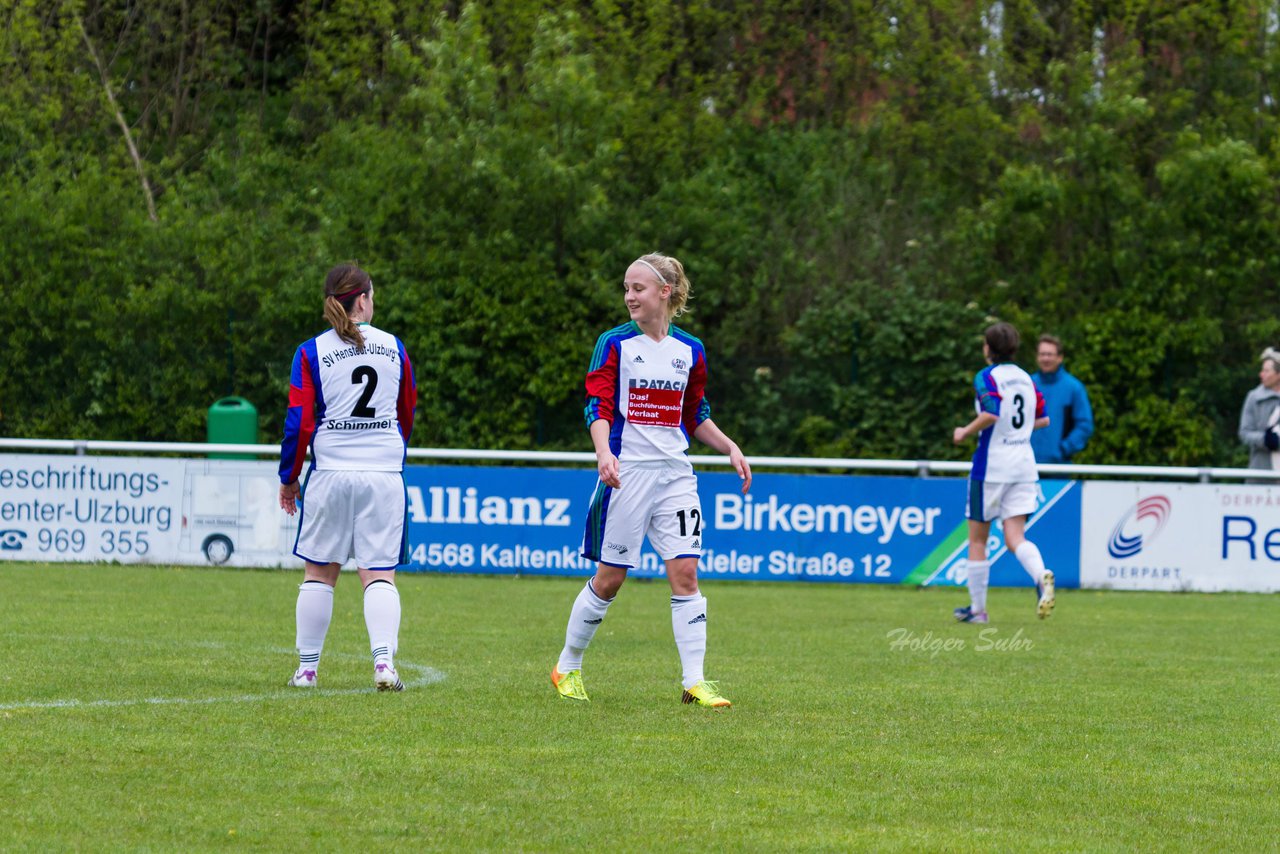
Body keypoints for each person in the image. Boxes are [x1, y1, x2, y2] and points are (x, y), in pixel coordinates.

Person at [550, 253, 752, 708]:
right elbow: (597, 406)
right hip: (628, 474)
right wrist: (604, 453)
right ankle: (567, 665)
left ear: (665, 292)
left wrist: (730, 447)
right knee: (610, 580)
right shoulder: (615, 343)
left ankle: (695, 681)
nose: (628, 297)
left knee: (685, 572)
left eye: (637, 288)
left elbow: (695, 413)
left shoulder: (690, 350)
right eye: (626, 288)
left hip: (676, 474)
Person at [278, 263, 417, 691]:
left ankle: (306, 671)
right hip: (382, 475)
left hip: (332, 474)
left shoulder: (311, 351)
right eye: (372, 295)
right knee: (379, 574)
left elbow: (299, 421)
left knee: (319, 574)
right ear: (362, 300)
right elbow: (406, 411)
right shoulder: (394, 346)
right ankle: (383, 665)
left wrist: (289, 476)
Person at [952, 322, 1055, 624]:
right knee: (1015, 536)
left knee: (977, 541)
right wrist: (1019, 430)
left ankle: (977, 611)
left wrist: (964, 432)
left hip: (992, 468)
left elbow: (991, 412)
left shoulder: (987, 377)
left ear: (988, 348)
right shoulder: (1026, 378)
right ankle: (1040, 576)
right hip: (1023, 466)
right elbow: (1043, 419)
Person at [1030, 334, 1094, 464]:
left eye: (1049, 354)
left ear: (1060, 357)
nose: (1045, 358)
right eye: (1042, 354)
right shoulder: (1027, 384)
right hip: (1026, 464)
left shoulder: (1073, 388)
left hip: (1058, 466)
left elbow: (1084, 425)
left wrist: (1063, 449)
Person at [1238, 347, 1280, 482]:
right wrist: (1266, 440)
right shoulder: (1254, 398)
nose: (1261, 374)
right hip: (1260, 473)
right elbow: (1244, 433)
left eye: (1267, 371)